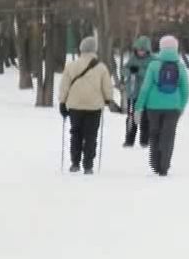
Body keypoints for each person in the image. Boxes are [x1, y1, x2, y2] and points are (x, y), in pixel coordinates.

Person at [58, 35, 121, 175]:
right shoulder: (101, 67)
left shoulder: (72, 66)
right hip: (94, 107)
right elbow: (107, 87)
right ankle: (88, 165)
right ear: (94, 50)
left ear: (81, 49)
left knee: (76, 134)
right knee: (91, 135)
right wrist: (108, 99)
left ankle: (75, 163)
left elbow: (64, 86)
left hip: (75, 106)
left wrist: (62, 102)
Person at [137, 34, 189, 177]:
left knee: (154, 134)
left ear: (161, 48)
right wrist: (181, 106)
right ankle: (164, 167)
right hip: (173, 107)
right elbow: (185, 90)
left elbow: (145, 88)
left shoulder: (154, 65)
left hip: (153, 107)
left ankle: (155, 164)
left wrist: (139, 107)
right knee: (168, 136)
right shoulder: (179, 66)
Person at [121, 36, 154, 148]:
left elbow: (151, 74)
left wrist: (139, 71)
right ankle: (129, 140)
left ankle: (144, 140)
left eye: (143, 50)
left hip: (146, 95)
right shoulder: (132, 58)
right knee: (131, 117)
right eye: (139, 50)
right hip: (133, 93)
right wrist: (129, 71)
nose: (141, 52)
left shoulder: (152, 60)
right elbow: (123, 70)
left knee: (145, 119)